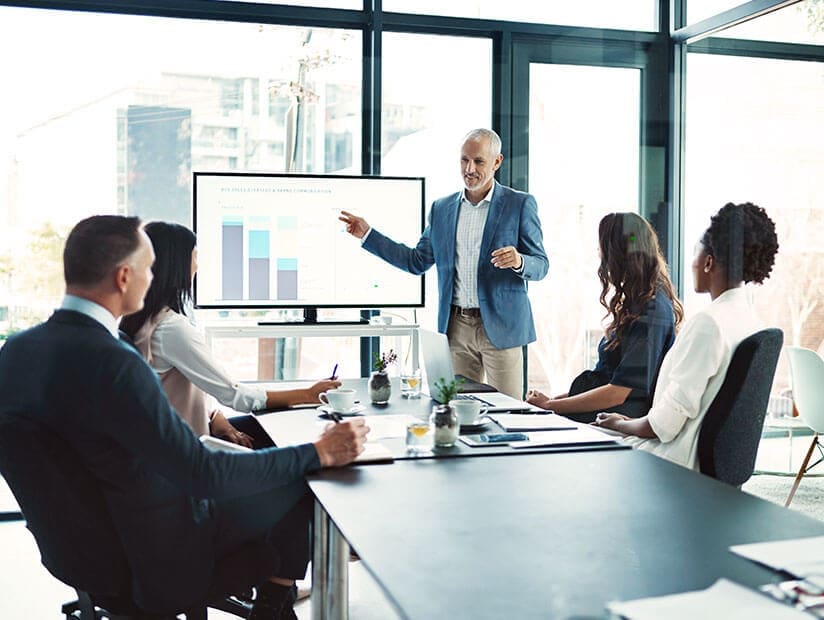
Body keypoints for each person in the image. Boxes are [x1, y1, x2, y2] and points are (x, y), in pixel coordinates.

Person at [0, 215, 368, 618]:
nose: (152, 276)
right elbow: (201, 473)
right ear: (124, 277)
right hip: (157, 553)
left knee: (274, 470)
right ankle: (273, 606)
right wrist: (317, 452)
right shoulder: (115, 361)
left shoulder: (16, 351)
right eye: (148, 267)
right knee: (301, 480)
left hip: (81, 551)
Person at [340, 128, 548, 398]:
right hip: (456, 328)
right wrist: (368, 234)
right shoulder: (442, 208)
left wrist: (519, 261)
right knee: (457, 410)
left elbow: (541, 265)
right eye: (464, 160)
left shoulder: (519, 204)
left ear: (497, 162)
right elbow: (416, 261)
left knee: (508, 412)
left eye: (479, 161)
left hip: (501, 328)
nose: (469, 168)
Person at [594, 202, 779, 470]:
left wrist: (619, 423)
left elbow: (662, 426)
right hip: (701, 464)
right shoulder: (751, 321)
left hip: (672, 461)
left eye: (695, 252)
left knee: (575, 444)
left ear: (708, 262)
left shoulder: (709, 323)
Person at [120, 221, 339, 447]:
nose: (197, 266)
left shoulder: (141, 320)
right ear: (177, 265)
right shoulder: (170, 329)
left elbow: (183, 388)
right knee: (299, 443)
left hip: (171, 442)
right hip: (187, 453)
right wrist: (308, 394)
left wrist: (216, 416)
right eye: (195, 257)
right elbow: (236, 396)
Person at [526, 212, 683, 423]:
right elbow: (607, 380)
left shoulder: (652, 311)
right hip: (604, 412)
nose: (600, 254)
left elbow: (618, 392)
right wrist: (551, 403)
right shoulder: (638, 302)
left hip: (614, 418)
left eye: (603, 248)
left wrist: (551, 406)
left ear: (618, 254)